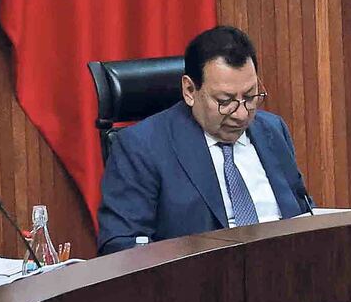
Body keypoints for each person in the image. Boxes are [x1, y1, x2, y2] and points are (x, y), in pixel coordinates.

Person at [96, 25, 313, 254]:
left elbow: (304, 210)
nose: (241, 114)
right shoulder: (142, 147)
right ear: (190, 90)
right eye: (225, 101)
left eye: (250, 97)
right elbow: (120, 246)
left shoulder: (272, 129)